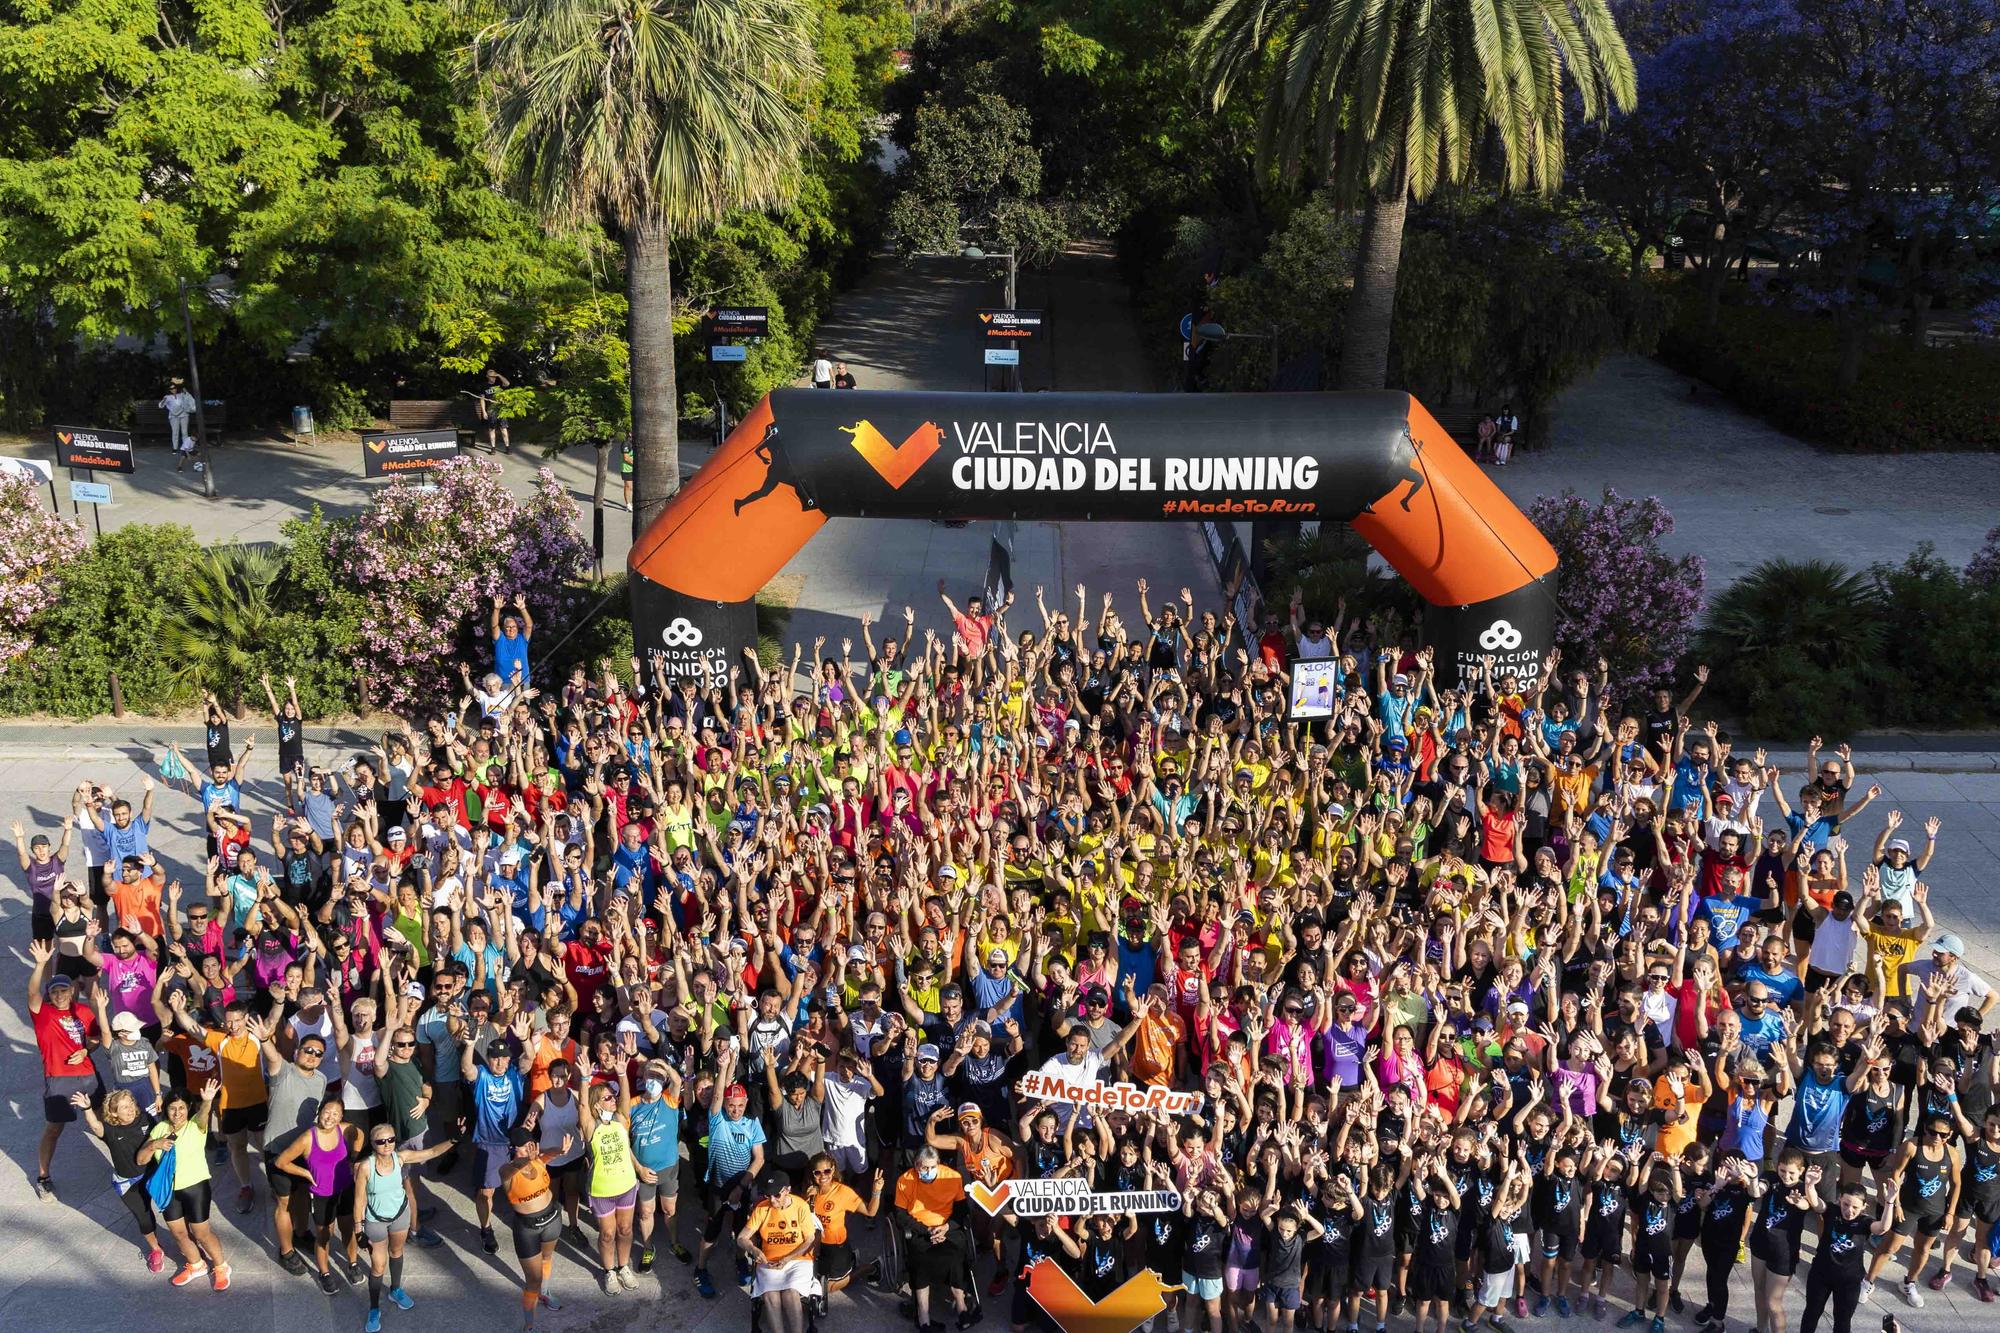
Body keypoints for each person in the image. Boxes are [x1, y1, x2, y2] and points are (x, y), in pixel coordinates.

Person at [354, 1121, 458, 1331]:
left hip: (400, 1215)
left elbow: (431, 1152)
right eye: (381, 1141)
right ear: (373, 1144)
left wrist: (454, 1140)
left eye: (391, 1140)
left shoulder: (400, 1158)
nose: (387, 1145)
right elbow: (359, 1200)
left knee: (397, 1252)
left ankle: (396, 1289)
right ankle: (374, 1308)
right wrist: (359, 1231)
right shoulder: (365, 1167)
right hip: (376, 1220)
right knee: (378, 1265)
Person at [137, 1082, 231, 1290]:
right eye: (172, 1108)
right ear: (166, 1109)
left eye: (181, 1108)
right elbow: (141, 1160)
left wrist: (207, 1101)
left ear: (188, 1108)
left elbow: (204, 1115)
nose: (177, 1112)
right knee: (178, 1233)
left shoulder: (195, 1125)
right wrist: (154, 1144)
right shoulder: (160, 1129)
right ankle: (196, 1264)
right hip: (170, 1191)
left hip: (195, 1187)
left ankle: (221, 1266)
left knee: (201, 1233)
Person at [28, 937, 99, 1199]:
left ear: (71, 992)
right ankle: (43, 1176)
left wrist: (86, 1049)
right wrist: (40, 965)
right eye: (55, 992)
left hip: (88, 1075)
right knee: (54, 1128)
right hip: (59, 1078)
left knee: (106, 1119)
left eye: (63, 991)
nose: (59, 995)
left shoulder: (83, 1011)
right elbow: (33, 993)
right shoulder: (42, 1013)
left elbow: (94, 1038)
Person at [71, 1087, 169, 1273]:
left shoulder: (146, 1120)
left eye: (131, 1103)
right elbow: (95, 1127)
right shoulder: (110, 1129)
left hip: (153, 1173)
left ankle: (186, 1240)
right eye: (124, 1107)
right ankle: (156, 1250)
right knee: (144, 1216)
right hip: (129, 1182)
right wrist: (87, 1109)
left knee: (171, 1208)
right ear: (114, 1112)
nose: (130, 1109)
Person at [273, 1096, 364, 1292]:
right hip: (322, 1196)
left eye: (335, 1114)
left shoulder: (344, 1129)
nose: (330, 1117)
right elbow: (281, 1162)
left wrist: (354, 1157)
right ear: (320, 1113)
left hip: (345, 1189)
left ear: (341, 1117)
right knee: (324, 1236)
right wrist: (305, 1172)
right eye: (327, 1112)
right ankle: (324, 1273)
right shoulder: (308, 1138)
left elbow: (361, 1134)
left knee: (348, 1230)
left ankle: (353, 1264)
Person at [498, 1119, 574, 1329]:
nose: (531, 1147)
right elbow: (517, 1170)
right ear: (514, 1149)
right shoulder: (506, 1171)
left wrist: (561, 1149)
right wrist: (527, 1160)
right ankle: (529, 1325)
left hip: (552, 1219)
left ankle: (546, 1293)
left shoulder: (538, 1158)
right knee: (533, 1279)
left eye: (531, 1143)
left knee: (547, 1258)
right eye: (525, 1146)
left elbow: (550, 1152)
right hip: (527, 1229)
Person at [896, 1143, 973, 1331]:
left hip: (947, 1226)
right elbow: (900, 1215)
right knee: (920, 1259)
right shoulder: (904, 1180)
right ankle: (923, 1317)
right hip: (920, 1228)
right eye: (924, 1167)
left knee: (956, 1254)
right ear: (916, 1165)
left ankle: (962, 1307)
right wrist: (926, 1230)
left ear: (938, 1163)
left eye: (932, 1167)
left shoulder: (953, 1177)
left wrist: (946, 1227)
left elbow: (962, 1210)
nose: (928, 1171)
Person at [739, 1167, 819, 1333]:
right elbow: (741, 1238)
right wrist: (754, 1250)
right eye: (769, 1196)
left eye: (777, 1195)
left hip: (798, 1259)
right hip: (770, 1260)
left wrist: (788, 1258)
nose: (773, 1201)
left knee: (790, 1293)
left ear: (787, 1190)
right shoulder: (762, 1208)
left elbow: (810, 1239)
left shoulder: (800, 1206)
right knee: (770, 1295)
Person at [161, 377, 198, 470]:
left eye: (174, 388)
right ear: (169, 390)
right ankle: (175, 448)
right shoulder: (167, 397)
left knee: (184, 432)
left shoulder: (181, 395)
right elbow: (161, 405)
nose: (173, 390)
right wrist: (163, 401)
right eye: (171, 389)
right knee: (175, 432)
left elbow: (189, 399)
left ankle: (186, 448)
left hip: (184, 415)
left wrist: (185, 390)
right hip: (174, 416)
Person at [477, 367, 512, 452]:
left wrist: (499, 375)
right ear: (487, 377)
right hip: (491, 410)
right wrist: (484, 411)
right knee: (492, 429)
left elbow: (507, 384)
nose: (493, 378)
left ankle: (507, 447)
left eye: (494, 376)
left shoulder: (500, 384)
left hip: (501, 409)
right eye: (491, 376)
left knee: (503, 428)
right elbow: (482, 399)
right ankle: (493, 448)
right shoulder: (484, 386)